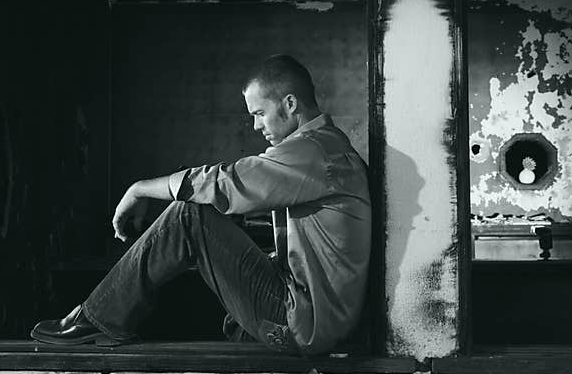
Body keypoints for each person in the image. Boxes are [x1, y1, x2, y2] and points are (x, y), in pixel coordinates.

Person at [31, 54, 372, 356]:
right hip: (315, 320)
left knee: (189, 213)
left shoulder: (314, 152)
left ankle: (97, 319)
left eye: (259, 113)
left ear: (290, 104)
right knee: (215, 213)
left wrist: (139, 189)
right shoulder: (326, 148)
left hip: (305, 327)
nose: (255, 126)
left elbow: (227, 182)